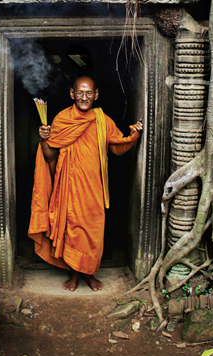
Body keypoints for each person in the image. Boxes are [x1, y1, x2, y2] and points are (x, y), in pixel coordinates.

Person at [28, 76, 143, 291]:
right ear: (72, 94)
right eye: (80, 93)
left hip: (94, 189)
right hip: (69, 188)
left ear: (96, 95)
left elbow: (117, 145)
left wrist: (133, 135)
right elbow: (50, 156)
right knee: (71, 230)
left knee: (92, 232)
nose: (84, 97)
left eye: (88, 93)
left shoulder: (102, 119)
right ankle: (75, 275)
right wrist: (44, 139)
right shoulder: (62, 119)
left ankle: (89, 274)